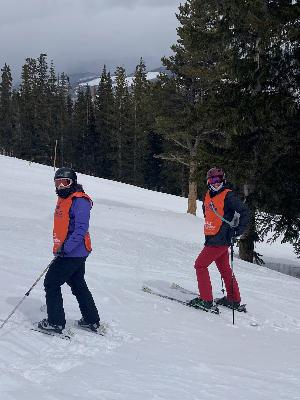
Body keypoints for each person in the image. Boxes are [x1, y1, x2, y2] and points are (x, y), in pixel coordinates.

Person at [38, 167, 100, 333]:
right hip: (71, 251)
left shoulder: (80, 201)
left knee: (51, 283)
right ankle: (91, 320)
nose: (61, 186)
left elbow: (80, 229)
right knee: (77, 283)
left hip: (72, 252)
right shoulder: (64, 198)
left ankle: (55, 322)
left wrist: (66, 248)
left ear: (72, 182)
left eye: (65, 182)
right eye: (57, 183)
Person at [188, 167, 250, 312]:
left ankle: (206, 300)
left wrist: (237, 231)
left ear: (223, 180)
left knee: (200, 265)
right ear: (208, 182)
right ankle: (233, 299)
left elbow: (245, 212)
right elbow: (208, 214)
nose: (216, 183)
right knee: (224, 269)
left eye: (218, 180)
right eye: (212, 180)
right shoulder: (208, 195)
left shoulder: (229, 196)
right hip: (213, 238)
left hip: (220, 240)